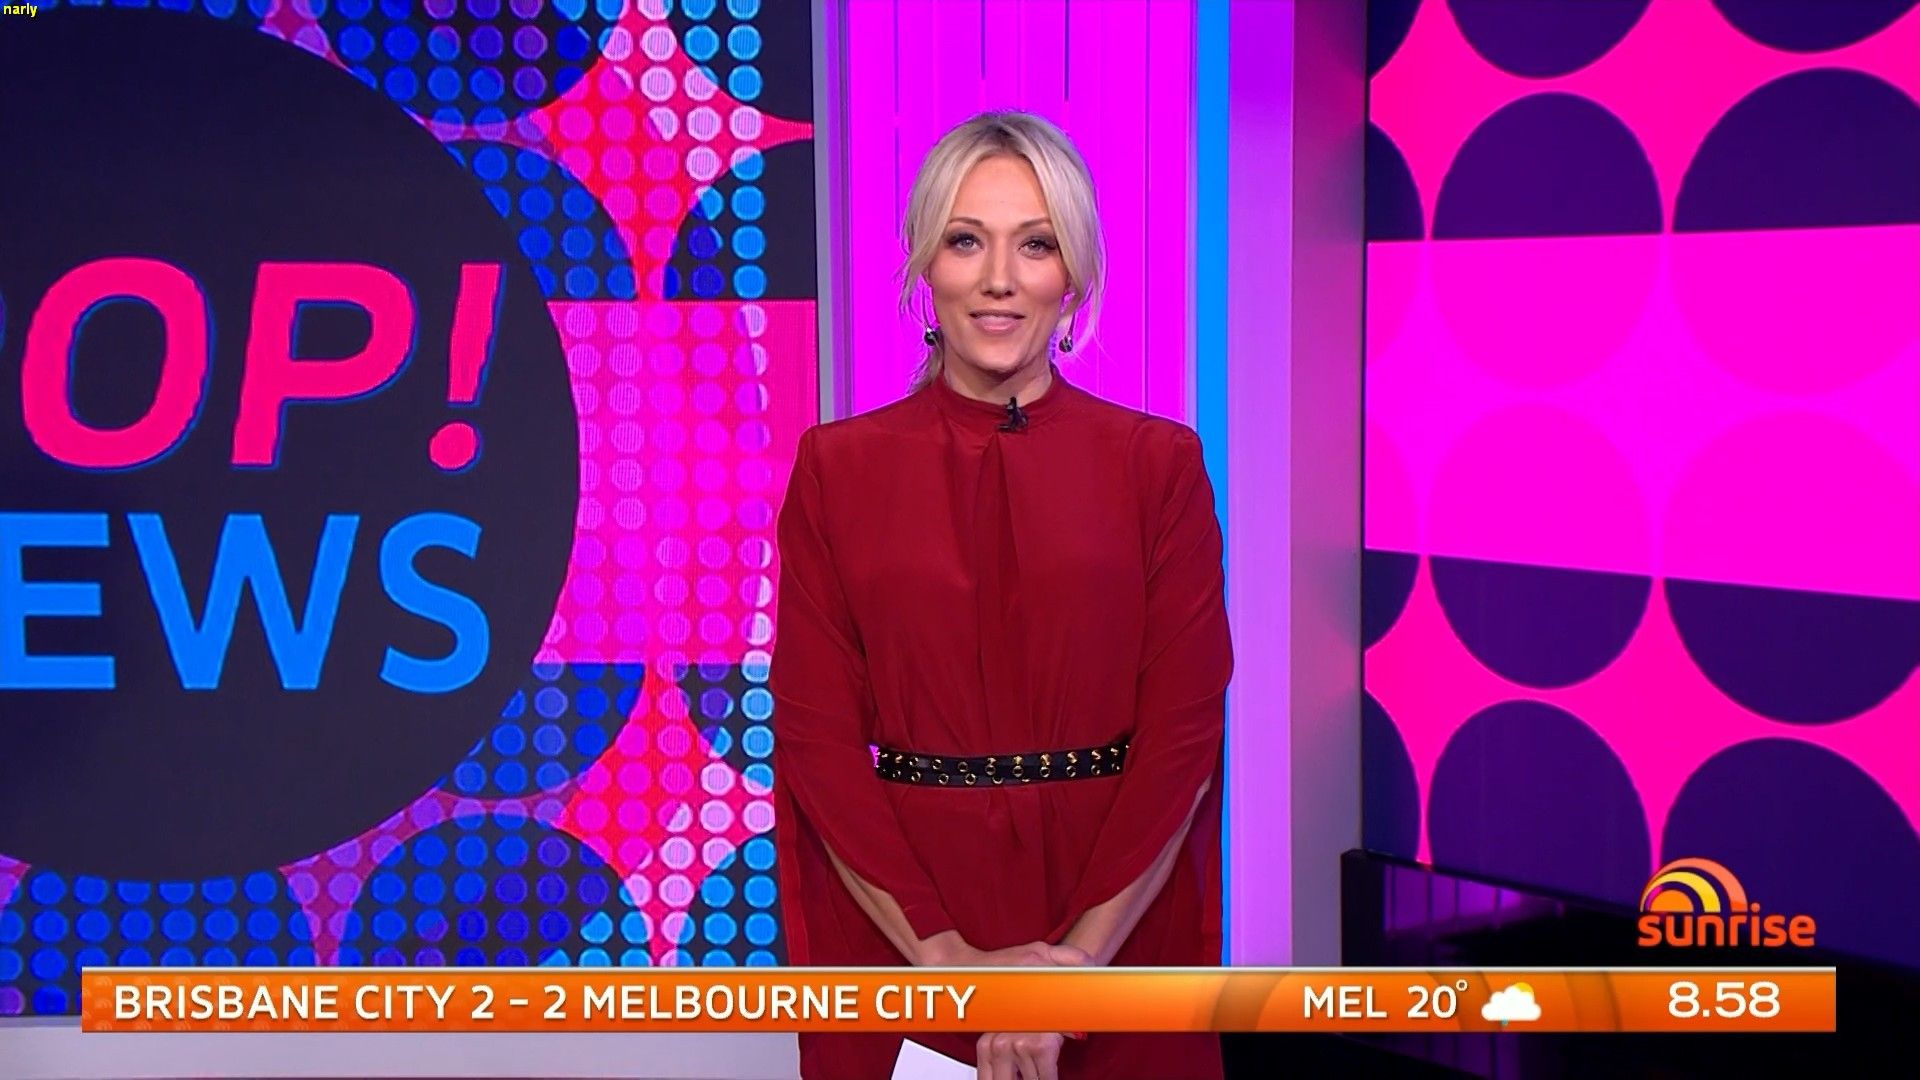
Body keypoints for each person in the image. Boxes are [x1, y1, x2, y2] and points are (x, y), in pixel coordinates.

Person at [770, 109, 1231, 1080]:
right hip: (910, 919)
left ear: (1075, 275)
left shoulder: (1158, 465)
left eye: (1036, 244)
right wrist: (946, 963)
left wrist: (1077, 973)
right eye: (966, 240)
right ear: (924, 265)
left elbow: (1183, 738)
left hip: (1115, 913)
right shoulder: (836, 469)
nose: (999, 280)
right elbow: (816, 741)